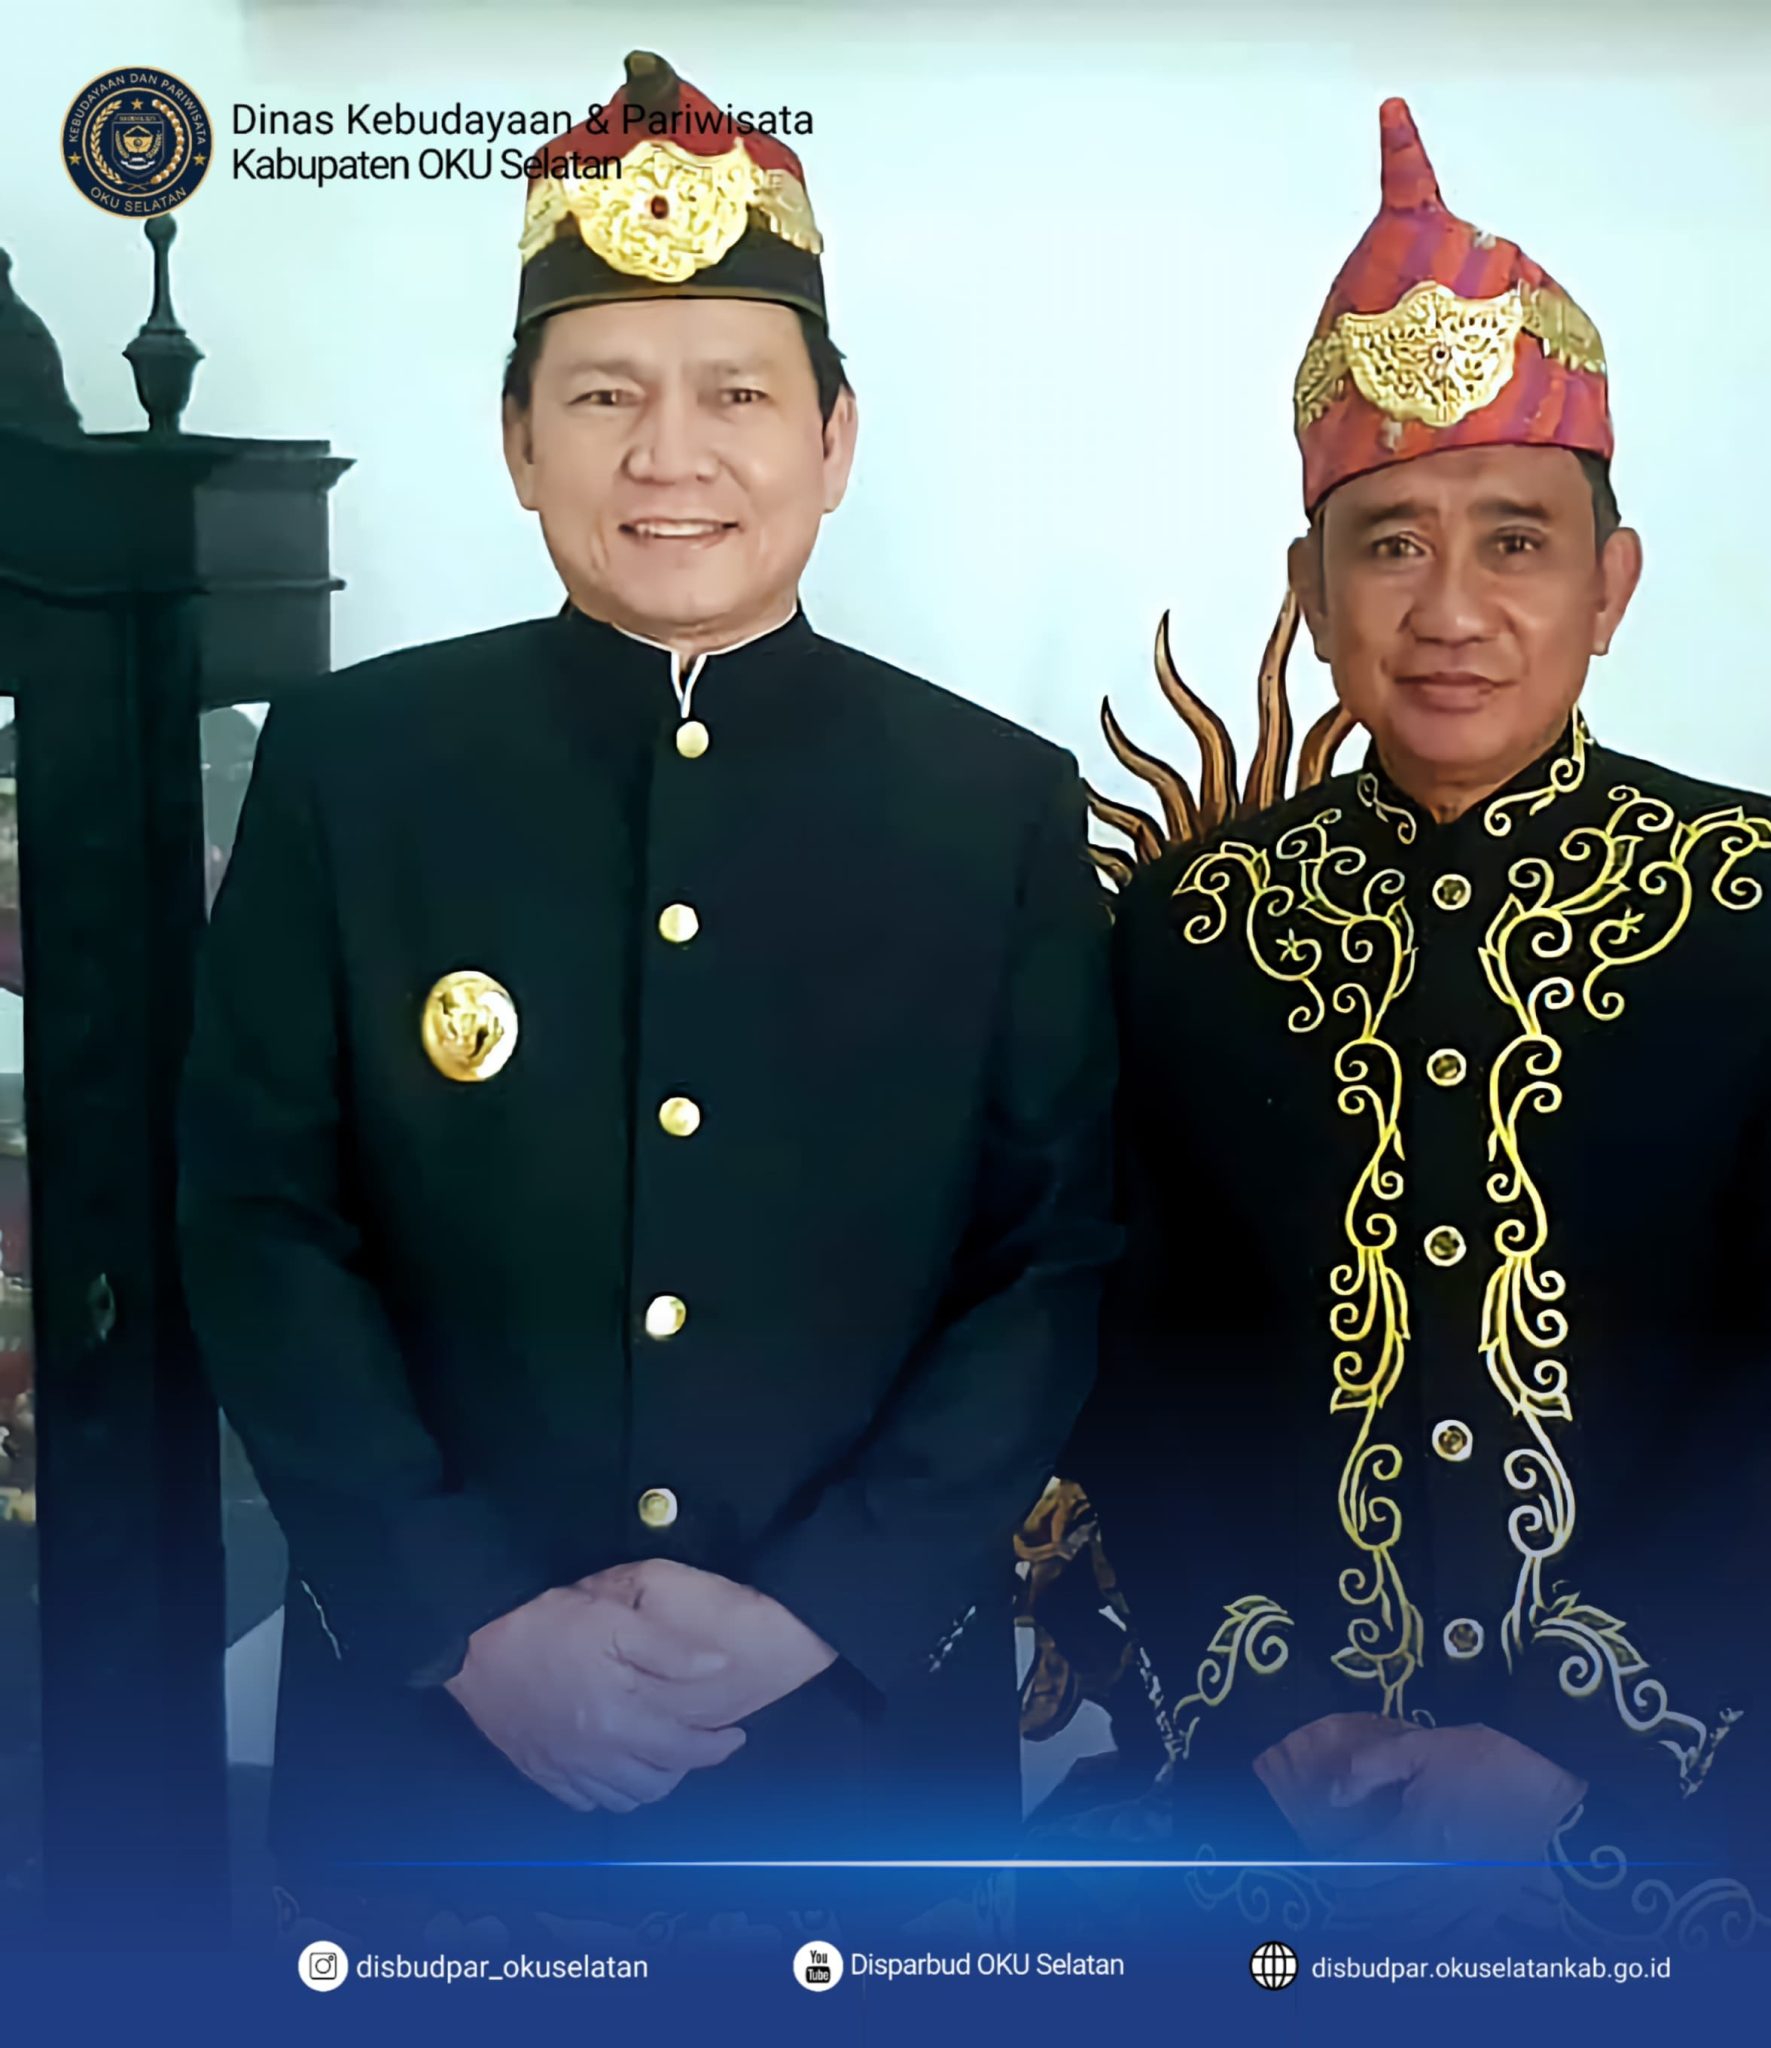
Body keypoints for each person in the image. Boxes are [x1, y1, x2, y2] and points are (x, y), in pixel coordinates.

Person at [179, 51, 1117, 1923]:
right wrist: (467, 1624)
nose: (669, 456)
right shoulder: (356, 773)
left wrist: (815, 1613)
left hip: (853, 1758)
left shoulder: (993, 804)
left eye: (737, 395)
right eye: (604, 393)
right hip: (434, 1753)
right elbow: (262, 1220)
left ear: (835, 440)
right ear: (516, 439)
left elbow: (1055, 1257)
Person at [1067, 97, 1771, 1950]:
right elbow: (1134, 1358)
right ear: (1310, 594)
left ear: (1611, 585)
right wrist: (1276, 1711)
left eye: (1516, 541)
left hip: (1666, 1802)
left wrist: (1558, 1740)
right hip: (1275, 1802)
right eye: (1390, 545)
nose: (1451, 610)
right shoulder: (1194, 927)